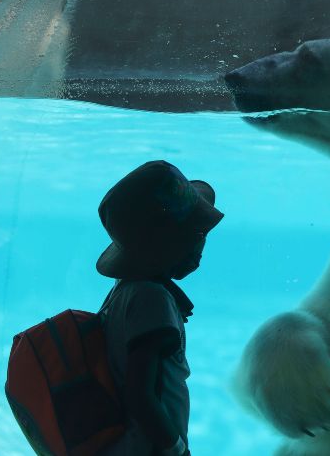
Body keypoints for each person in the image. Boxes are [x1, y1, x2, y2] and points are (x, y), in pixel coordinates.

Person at [95, 160, 224, 456]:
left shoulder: (124, 291)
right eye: (198, 232)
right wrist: (176, 450)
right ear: (172, 246)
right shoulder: (153, 300)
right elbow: (139, 395)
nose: (203, 241)